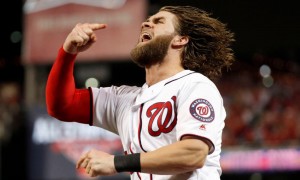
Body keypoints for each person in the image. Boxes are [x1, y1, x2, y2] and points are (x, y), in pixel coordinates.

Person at [46, 5, 235, 180]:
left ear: (180, 40)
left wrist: (116, 162)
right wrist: (68, 52)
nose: (146, 23)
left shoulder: (195, 85)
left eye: (158, 21)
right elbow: (62, 106)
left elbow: (193, 154)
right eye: (148, 20)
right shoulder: (124, 99)